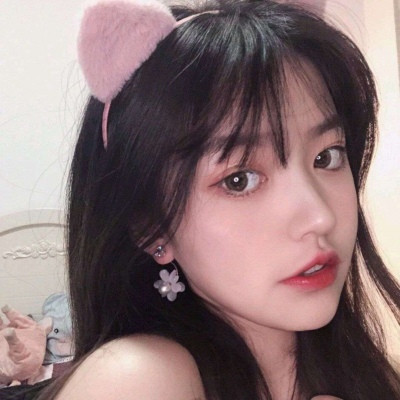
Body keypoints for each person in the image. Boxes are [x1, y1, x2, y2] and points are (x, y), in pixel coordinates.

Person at [31, 0, 400, 399]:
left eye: (326, 157)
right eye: (239, 180)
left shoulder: (364, 368)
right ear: (151, 225)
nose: (320, 216)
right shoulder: (138, 377)